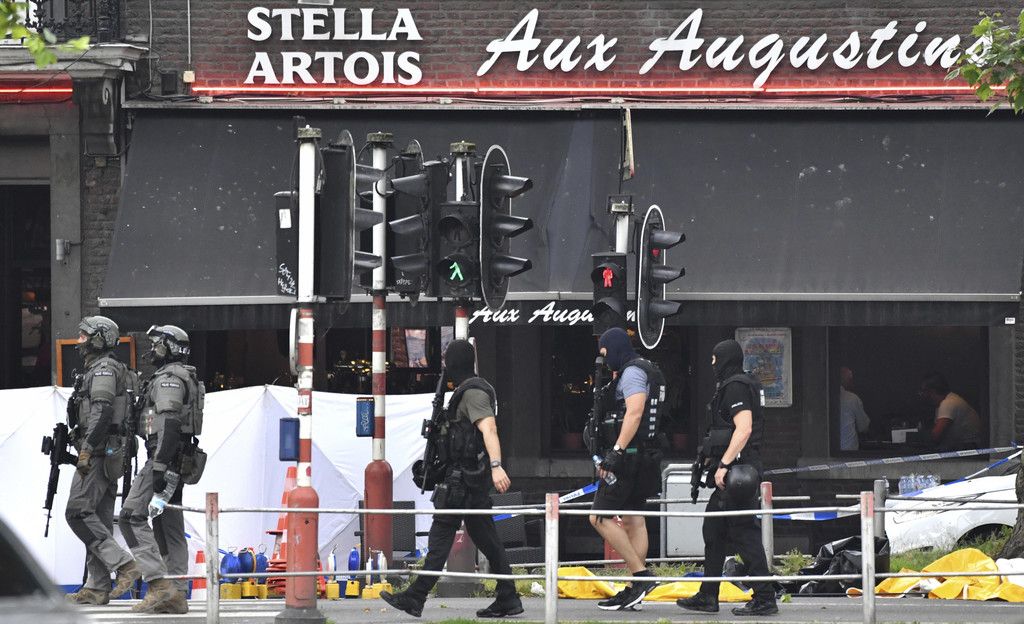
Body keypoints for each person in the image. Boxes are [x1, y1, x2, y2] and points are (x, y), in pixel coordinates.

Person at [382, 340, 524, 619]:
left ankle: (416, 596)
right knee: (487, 539)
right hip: (467, 480)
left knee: (440, 536)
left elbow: (489, 429)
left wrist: (497, 466)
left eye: (448, 360)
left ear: (454, 363)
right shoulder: (465, 391)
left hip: (462, 481)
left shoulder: (473, 393)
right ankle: (508, 597)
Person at [677, 339, 778, 617]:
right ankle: (708, 595)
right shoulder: (734, 384)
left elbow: (743, 429)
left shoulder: (736, 386)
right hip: (734, 472)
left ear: (725, 359)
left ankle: (765, 598)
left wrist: (723, 463)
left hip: (737, 473)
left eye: (715, 358)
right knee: (714, 530)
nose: (712, 364)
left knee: (744, 533)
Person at [120, 325, 202, 614]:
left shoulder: (169, 378)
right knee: (168, 526)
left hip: (163, 458)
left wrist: (158, 465)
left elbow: (169, 422)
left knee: (130, 516)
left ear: (170, 347)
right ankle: (176, 594)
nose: (152, 349)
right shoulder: (179, 375)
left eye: (157, 344)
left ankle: (159, 586)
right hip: (175, 460)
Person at [64, 316, 141, 605]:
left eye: (84, 336)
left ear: (99, 338)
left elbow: (102, 411)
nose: (79, 342)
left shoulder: (103, 370)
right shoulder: (104, 368)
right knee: (98, 519)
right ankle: (97, 586)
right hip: (108, 452)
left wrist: (85, 449)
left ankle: (124, 564)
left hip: (98, 453)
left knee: (77, 512)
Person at [589, 327, 665, 611]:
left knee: (598, 517)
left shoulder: (632, 373)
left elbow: (634, 411)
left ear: (616, 348)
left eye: (605, 353)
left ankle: (641, 576)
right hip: (645, 456)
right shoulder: (647, 368)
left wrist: (616, 451)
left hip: (628, 457)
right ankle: (636, 590)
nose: (604, 359)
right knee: (634, 519)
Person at [919, 372, 981, 451]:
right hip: (963, 446)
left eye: (923, 391)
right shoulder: (948, 400)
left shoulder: (948, 403)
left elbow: (935, 436)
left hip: (966, 449)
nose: (921, 395)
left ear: (931, 392)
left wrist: (917, 437)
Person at [838, 366, 870, 451]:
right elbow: (863, 427)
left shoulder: (824, 399)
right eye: (850, 379)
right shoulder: (852, 399)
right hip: (849, 451)